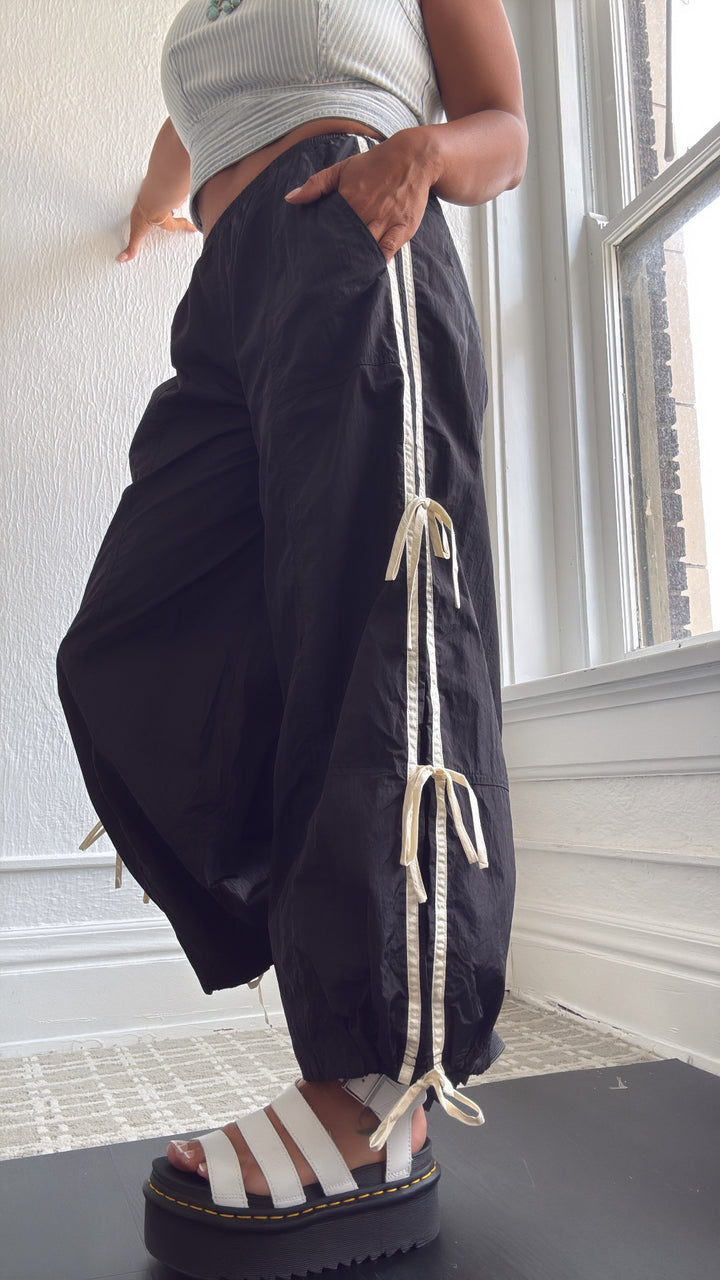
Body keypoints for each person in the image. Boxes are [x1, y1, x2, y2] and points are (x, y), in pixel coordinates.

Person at [57, 1, 527, 1276]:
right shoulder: (203, 14)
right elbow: (186, 130)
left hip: (353, 233)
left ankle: (376, 1079)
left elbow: (507, 131)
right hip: (228, 296)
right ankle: (341, 942)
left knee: (376, 642)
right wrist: (151, 209)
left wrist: (426, 155)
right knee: (125, 644)